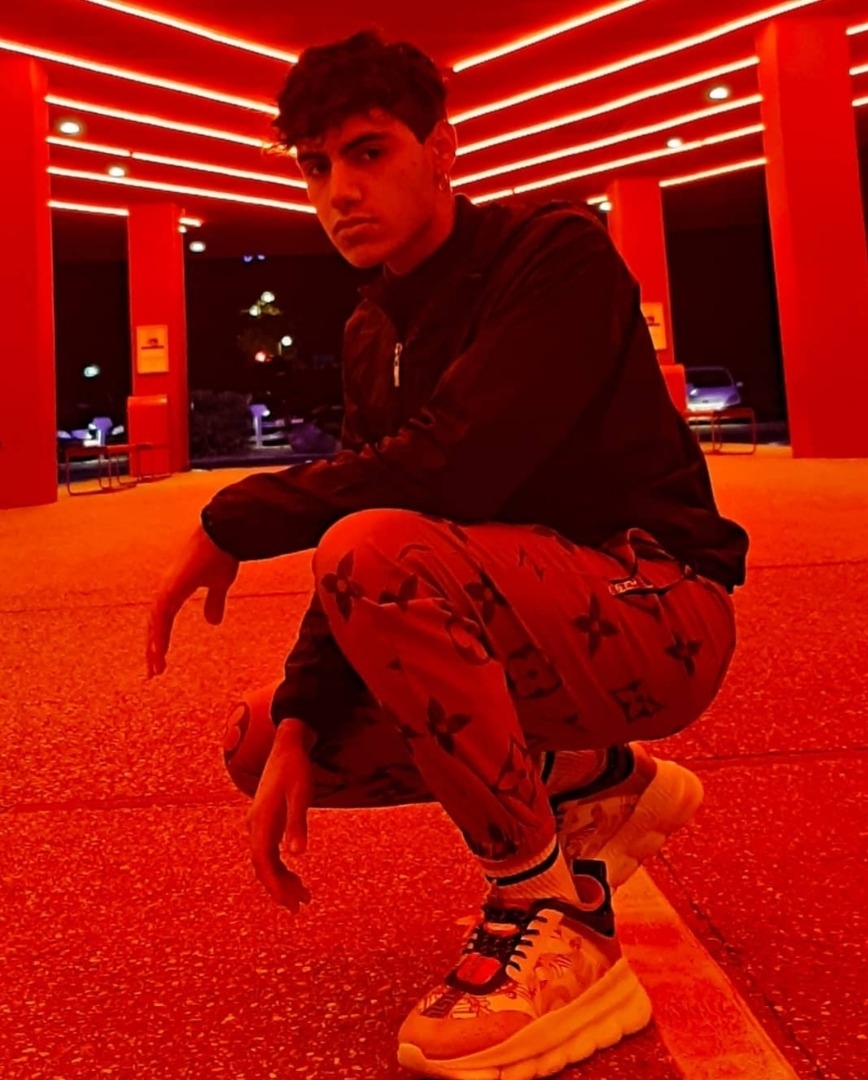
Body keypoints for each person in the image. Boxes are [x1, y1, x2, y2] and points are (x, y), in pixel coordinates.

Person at [147, 30, 748, 1080]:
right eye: (315, 166)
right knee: (265, 741)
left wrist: (234, 515)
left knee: (375, 547)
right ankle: (598, 779)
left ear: (441, 149)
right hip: (523, 614)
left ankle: (549, 910)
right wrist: (303, 710)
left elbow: (452, 469)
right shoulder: (370, 330)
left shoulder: (551, 255)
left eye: (368, 152)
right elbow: (376, 521)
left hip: (659, 605)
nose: (339, 191)